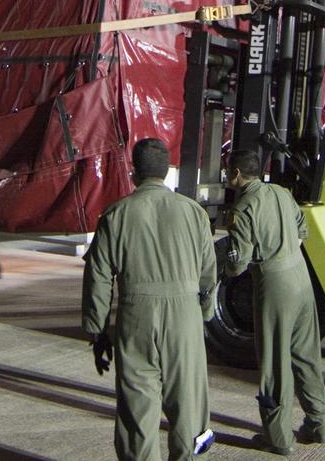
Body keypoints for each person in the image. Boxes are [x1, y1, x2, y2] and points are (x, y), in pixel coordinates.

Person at [82, 138, 217, 461]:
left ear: (133, 173)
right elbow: (209, 274)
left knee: (136, 409)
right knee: (189, 404)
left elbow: (98, 278)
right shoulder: (193, 213)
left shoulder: (115, 215)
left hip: (136, 316)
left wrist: (97, 330)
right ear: (167, 171)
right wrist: (203, 316)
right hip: (184, 316)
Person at [223, 149, 325, 456]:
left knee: (274, 363)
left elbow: (238, 263)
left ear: (237, 174)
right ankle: (318, 422)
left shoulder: (243, 208)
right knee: (307, 354)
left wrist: (227, 269)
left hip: (274, 285)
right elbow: (302, 230)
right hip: (300, 277)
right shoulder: (282, 193)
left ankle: (278, 437)